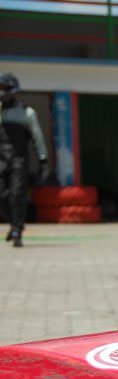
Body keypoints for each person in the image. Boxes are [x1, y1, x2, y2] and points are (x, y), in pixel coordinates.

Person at [0, 72, 48, 248]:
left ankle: (17, 230)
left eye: (4, 88)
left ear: (13, 91)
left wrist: (43, 161)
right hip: (1, 160)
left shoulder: (26, 113)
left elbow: (38, 139)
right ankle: (14, 223)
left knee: (17, 195)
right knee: (2, 196)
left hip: (19, 160)